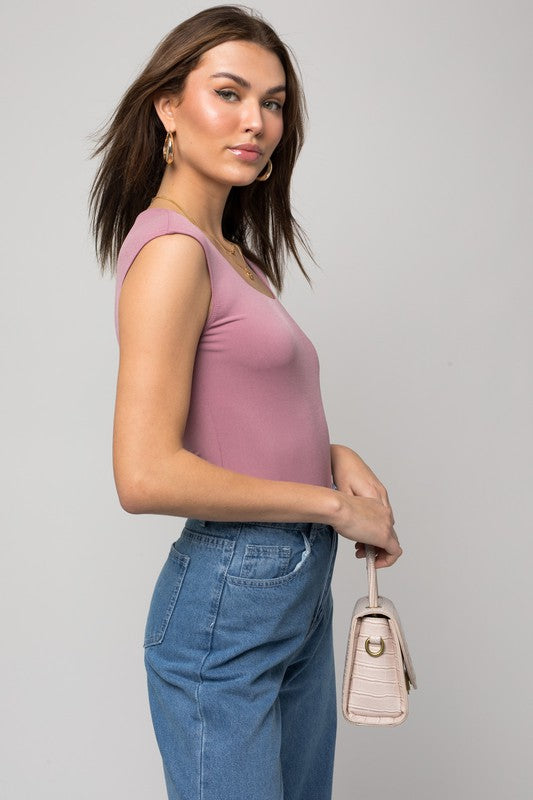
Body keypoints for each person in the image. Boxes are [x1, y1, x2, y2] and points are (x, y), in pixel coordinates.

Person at [88, 5, 402, 799]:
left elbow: (238, 413)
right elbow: (145, 476)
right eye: (228, 93)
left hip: (286, 587)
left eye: (271, 102)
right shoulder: (170, 253)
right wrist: (330, 504)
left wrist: (335, 455)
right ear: (167, 105)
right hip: (233, 588)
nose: (255, 121)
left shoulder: (231, 253)